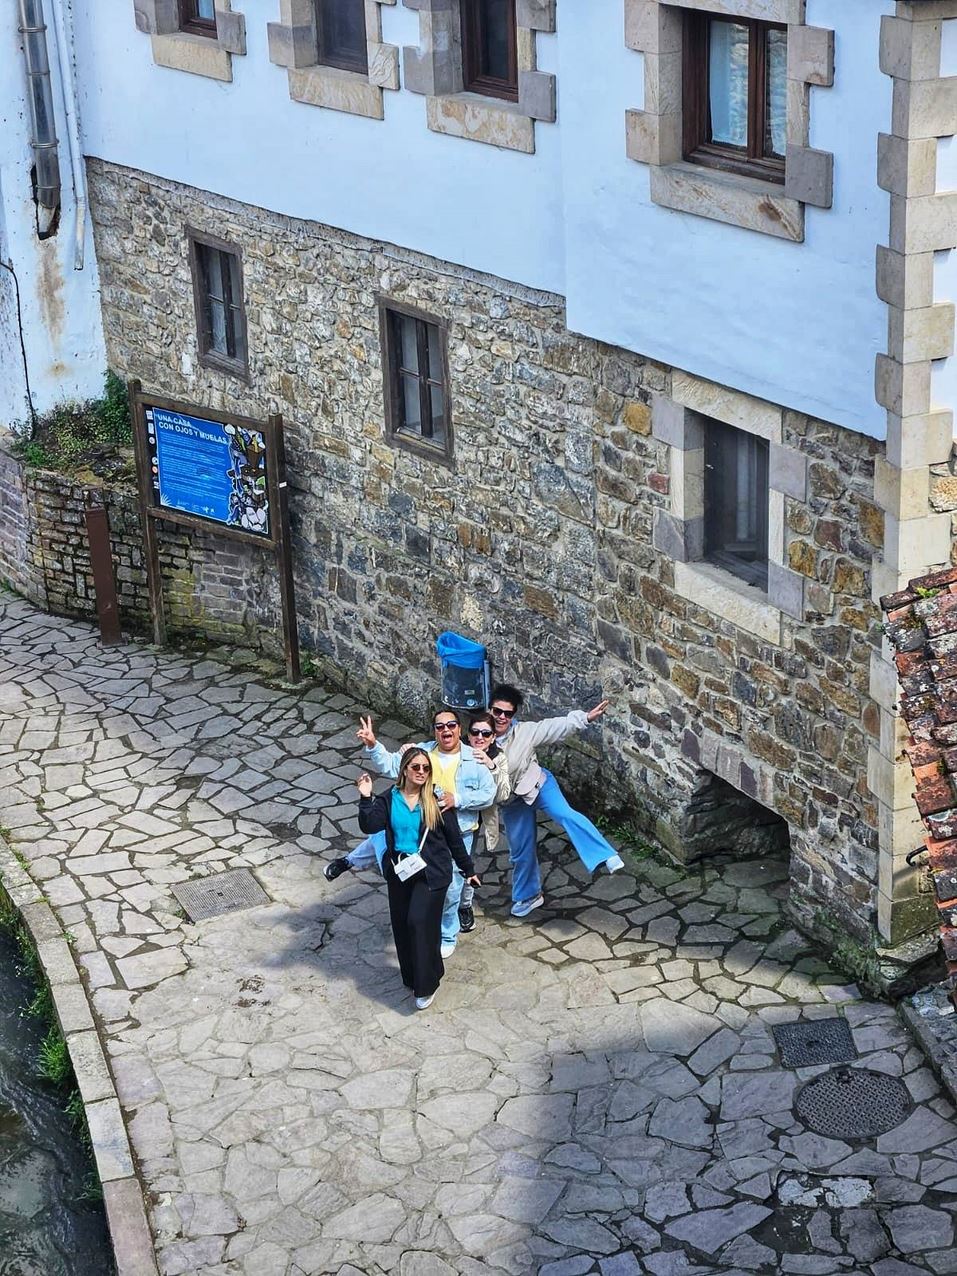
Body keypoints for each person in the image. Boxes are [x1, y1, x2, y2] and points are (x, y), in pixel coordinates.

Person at [329, 710, 496, 957]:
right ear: (434, 731)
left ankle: (447, 935)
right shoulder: (421, 752)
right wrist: (373, 744)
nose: (446, 730)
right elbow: (390, 765)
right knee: (414, 877)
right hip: (421, 830)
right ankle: (420, 929)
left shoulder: (475, 758)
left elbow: (488, 793)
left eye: (451, 725)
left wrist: (458, 799)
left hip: (458, 830)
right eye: (440, 726)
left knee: (451, 889)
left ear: (459, 729)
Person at [357, 749, 479, 1010]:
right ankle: (413, 976)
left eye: (426, 768)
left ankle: (427, 985)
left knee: (419, 922)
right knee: (402, 925)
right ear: (404, 769)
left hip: (432, 873)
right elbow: (370, 826)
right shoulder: (388, 799)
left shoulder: (436, 800)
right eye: (416, 767)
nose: (421, 772)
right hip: (401, 871)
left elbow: (454, 839)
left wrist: (468, 870)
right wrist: (366, 797)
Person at [489, 682, 624, 918]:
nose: (501, 717)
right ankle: (529, 896)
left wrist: (585, 718)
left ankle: (606, 855)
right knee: (520, 851)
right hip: (511, 801)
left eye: (507, 713)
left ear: (513, 715)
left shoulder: (525, 731)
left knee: (564, 814)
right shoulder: (478, 735)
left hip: (538, 784)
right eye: (497, 711)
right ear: (489, 709)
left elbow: (554, 727)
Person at [458, 711, 512, 932]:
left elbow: (503, 794)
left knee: (467, 862)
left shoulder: (498, 758)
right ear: (468, 734)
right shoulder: (457, 751)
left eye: (485, 733)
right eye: (475, 732)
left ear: (492, 737)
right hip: (454, 813)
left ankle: (464, 906)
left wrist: (491, 767)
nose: (479, 737)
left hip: (477, 819)